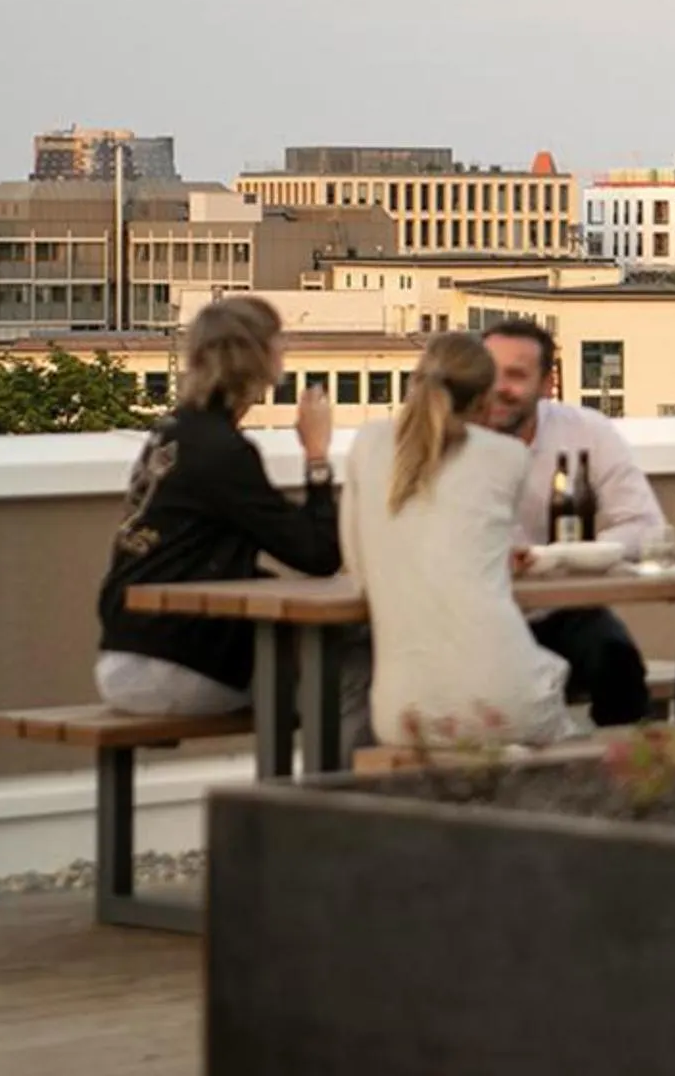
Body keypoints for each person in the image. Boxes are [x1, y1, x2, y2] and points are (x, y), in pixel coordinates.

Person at [94, 295, 339, 716]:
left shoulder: (173, 432)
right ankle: (323, 780)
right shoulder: (224, 452)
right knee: (344, 676)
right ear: (256, 358)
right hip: (173, 665)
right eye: (278, 341)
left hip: (125, 654)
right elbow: (317, 554)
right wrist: (316, 455)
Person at [342, 332, 576, 751]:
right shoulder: (507, 456)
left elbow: (360, 572)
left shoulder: (366, 446)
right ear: (486, 402)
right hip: (502, 696)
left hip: (403, 711)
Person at [477, 319, 662, 724]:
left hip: (564, 610)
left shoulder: (585, 430)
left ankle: (637, 774)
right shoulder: (449, 438)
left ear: (547, 384)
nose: (499, 388)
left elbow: (644, 525)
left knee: (618, 660)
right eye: (489, 373)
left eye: (516, 376)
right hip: (479, 616)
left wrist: (559, 557)